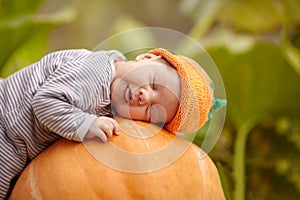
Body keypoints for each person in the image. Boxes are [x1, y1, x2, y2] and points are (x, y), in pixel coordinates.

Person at [0, 48, 216, 199]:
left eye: (152, 111)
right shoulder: (94, 74)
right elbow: (44, 102)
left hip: (16, 141)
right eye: (152, 82)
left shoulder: (116, 97)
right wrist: (84, 124)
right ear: (146, 57)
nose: (144, 96)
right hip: (6, 128)